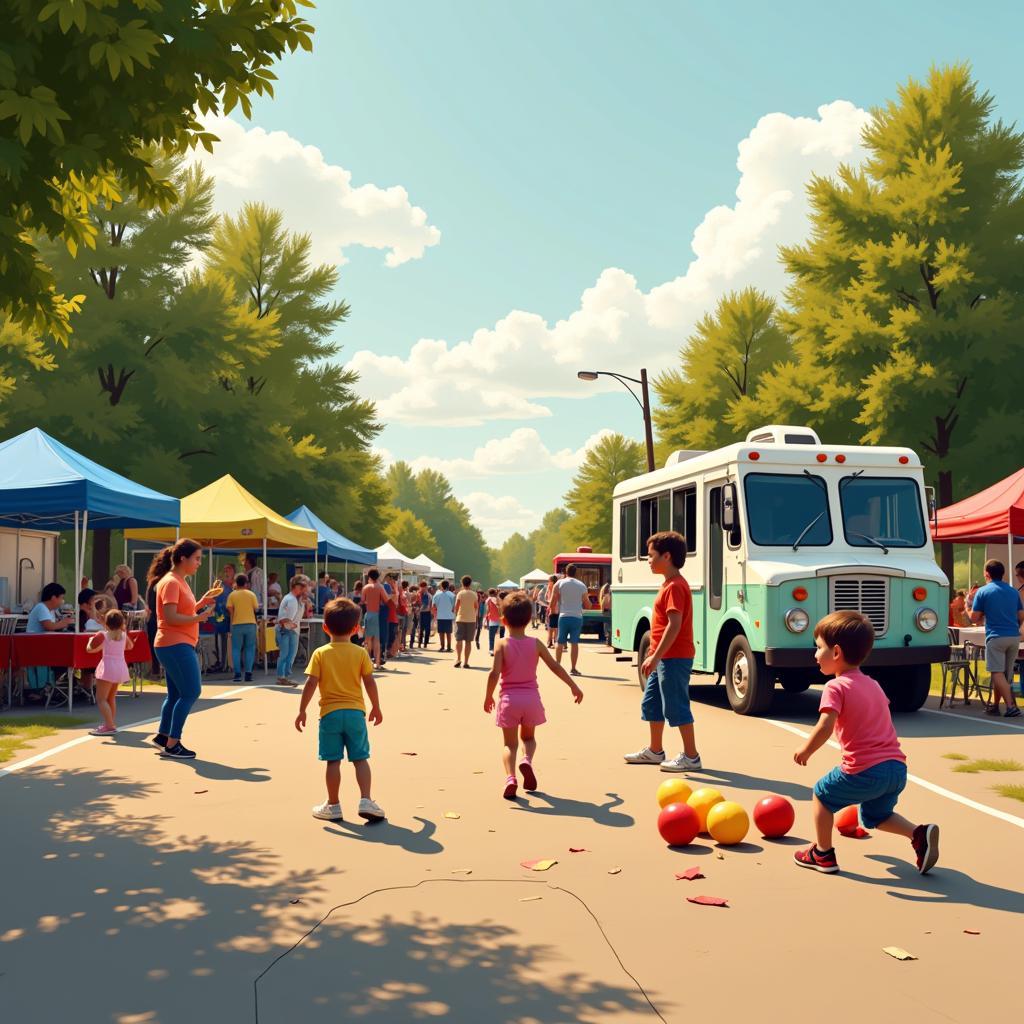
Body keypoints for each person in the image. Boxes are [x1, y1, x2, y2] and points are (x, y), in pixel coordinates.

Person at [792, 610, 940, 875]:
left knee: (821, 795)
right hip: (896, 768)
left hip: (865, 770)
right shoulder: (873, 684)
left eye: (818, 648)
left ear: (836, 653)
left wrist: (806, 749)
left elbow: (825, 725)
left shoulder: (835, 687)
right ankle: (918, 834)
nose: (815, 655)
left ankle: (822, 854)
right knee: (876, 817)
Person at [484, 591, 583, 799]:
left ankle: (510, 778)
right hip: (531, 699)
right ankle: (527, 759)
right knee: (528, 738)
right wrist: (573, 685)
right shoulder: (536, 643)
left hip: (509, 700)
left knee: (509, 744)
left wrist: (488, 696)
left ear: (503, 620)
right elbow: (555, 666)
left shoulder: (501, 643)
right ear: (529, 620)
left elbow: (494, 674)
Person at [294, 597, 386, 823]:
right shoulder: (360, 653)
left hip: (329, 715)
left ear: (325, 627)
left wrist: (302, 710)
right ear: (356, 628)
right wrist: (376, 706)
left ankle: (333, 805)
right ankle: (366, 799)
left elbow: (311, 683)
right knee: (360, 758)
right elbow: (369, 682)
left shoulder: (320, 653)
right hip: (356, 713)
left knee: (333, 761)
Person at [624, 531, 701, 772]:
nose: (648, 560)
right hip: (662, 656)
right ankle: (655, 751)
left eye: (651, 555)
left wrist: (656, 656)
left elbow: (674, 624)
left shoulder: (676, 586)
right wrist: (654, 654)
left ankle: (691, 756)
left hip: (674, 657)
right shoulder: (668, 584)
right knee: (651, 703)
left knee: (676, 706)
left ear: (666, 556)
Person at [152, 539, 221, 759]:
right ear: (183, 558)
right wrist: (197, 617)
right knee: (191, 691)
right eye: (197, 558)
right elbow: (170, 616)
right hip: (175, 643)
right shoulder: (172, 582)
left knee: (175, 694)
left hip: (174, 643)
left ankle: (164, 736)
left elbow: (180, 610)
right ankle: (173, 744)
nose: (199, 563)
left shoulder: (178, 580)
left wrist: (201, 602)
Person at [968, 559, 1023, 717]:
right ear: (1003, 573)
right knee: (1005, 675)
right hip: (1014, 636)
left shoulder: (983, 591)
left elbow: (974, 617)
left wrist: (967, 604)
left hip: (996, 636)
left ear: (987, 574)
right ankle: (995, 706)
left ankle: (1011, 706)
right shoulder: (1013, 591)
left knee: (996, 673)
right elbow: (1021, 615)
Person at [86, 609, 134, 735]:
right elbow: (130, 646)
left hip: (107, 668)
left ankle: (109, 725)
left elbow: (90, 649)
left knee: (101, 699)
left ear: (106, 624)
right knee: (111, 698)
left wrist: (90, 641)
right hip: (120, 667)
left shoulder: (103, 635)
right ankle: (110, 723)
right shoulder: (123, 635)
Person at [24, 583, 75, 699]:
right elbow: (49, 626)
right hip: (35, 647)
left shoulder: (50, 610)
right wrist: (64, 622)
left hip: (44, 646)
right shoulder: (41, 608)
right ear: (53, 597)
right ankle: (46, 687)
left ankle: (54, 685)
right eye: (61, 597)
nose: (62, 601)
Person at [554, 564, 588, 677]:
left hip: (563, 616)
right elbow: (587, 604)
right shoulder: (582, 585)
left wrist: (551, 610)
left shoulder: (559, 583)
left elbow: (553, 601)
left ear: (565, 572)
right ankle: (573, 668)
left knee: (560, 642)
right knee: (574, 643)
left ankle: (557, 666)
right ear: (576, 572)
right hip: (577, 617)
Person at [276, 574, 310, 685]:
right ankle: (283, 676)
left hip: (289, 630)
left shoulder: (294, 599)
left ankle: (283, 676)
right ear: (298, 586)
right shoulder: (291, 600)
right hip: (287, 630)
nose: (306, 588)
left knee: (288, 654)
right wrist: (290, 625)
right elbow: (286, 618)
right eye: (304, 586)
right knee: (287, 654)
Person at [227, 573, 259, 683]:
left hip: (237, 624)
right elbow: (256, 608)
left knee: (236, 649)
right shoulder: (251, 594)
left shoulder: (232, 595)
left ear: (236, 583)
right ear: (246, 583)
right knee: (249, 648)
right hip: (250, 624)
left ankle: (237, 674)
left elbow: (231, 611)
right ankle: (248, 674)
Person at [211, 563, 235, 673]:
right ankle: (222, 663)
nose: (226, 572)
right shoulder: (220, 586)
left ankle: (229, 663)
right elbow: (212, 599)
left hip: (233, 617)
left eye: (229, 569)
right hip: (220, 617)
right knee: (221, 639)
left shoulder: (236, 586)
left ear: (234, 571)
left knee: (230, 641)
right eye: (225, 569)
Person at [360, 569, 385, 669]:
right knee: (377, 640)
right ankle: (377, 662)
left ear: (369, 577)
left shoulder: (366, 587)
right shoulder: (380, 587)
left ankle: (368, 662)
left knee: (368, 639)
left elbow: (362, 601)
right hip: (377, 614)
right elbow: (385, 600)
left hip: (369, 614)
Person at [453, 575, 479, 668]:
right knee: (468, 641)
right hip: (471, 620)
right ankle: (466, 662)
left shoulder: (460, 593)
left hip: (460, 618)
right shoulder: (474, 594)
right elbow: (476, 606)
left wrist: (456, 614)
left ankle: (458, 659)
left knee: (459, 640)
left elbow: (456, 606)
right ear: (470, 583)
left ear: (462, 583)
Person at [432, 578, 456, 652]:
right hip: (449, 616)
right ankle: (449, 647)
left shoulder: (437, 595)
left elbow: (434, 606)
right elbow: (454, 606)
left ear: (441, 586)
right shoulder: (452, 595)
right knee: (448, 632)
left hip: (440, 616)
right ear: (448, 586)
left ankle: (442, 646)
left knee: (441, 632)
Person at [416, 580, 432, 649]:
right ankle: (420, 643)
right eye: (421, 587)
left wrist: (419, 609)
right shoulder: (418, 594)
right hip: (422, 613)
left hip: (427, 612)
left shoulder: (427, 595)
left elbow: (425, 604)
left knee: (427, 629)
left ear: (426, 587)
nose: (422, 588)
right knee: (421, 628)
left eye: (424, 587)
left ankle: (425, 643)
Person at [485, 588, 502, 653]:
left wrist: (486, 620)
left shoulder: (488, 600)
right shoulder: (498, 599)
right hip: (499, 620)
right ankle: (499, 649)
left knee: (491, 637)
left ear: (489, 593)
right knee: (498, 636)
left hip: (491, 620)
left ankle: (491, 649)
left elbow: (487, 610)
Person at [545, 574, 559, 649]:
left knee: (554, 627)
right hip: (551, 609)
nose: (548, 583)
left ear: (553, 582)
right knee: (551, 627)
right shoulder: (550, 588)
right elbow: (546, 598)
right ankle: (550, 642)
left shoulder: (555, 588)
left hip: (554, 610)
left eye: (549, 581)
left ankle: (553, 641)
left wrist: (549, 604)